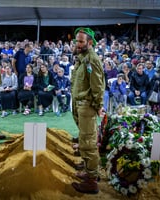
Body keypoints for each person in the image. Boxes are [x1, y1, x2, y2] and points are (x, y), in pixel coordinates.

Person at [71, 27, 105, 194]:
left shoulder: (91, 59)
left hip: (87, 106)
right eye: (77, 41)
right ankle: (87, 169)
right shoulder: (82, 58)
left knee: (88, 143)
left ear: (90, 43)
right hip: (80, 104)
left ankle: (92, 181)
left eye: (81, 41)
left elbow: (98, 87)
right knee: (85, 141)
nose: (78, 44)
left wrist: (98, 106)